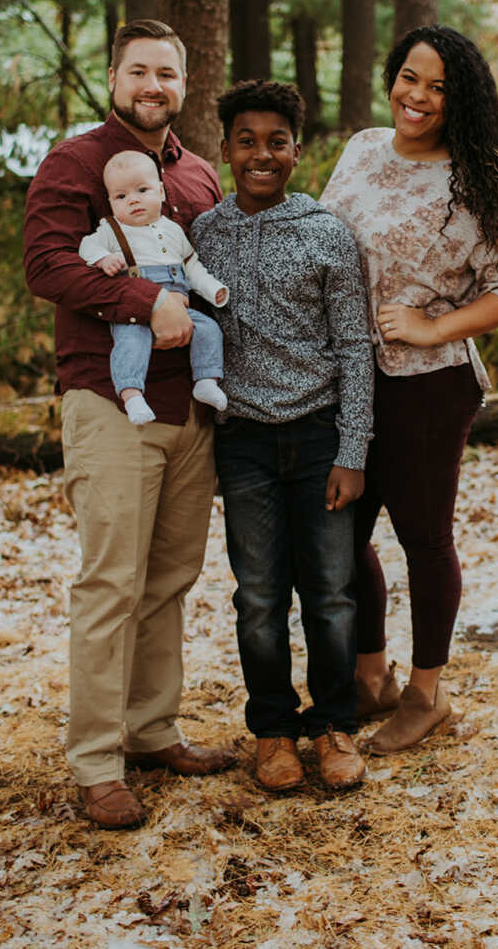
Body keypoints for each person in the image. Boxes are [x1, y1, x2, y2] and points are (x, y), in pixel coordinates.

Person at [23, 18, 235, 831]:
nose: (155, 86)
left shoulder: (200, 177)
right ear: (113, 76)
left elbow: (214, 275)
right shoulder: (75, 163)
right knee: (110, 583)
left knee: (170, 579)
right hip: (111, 403)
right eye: (140, 71)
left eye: (169, 74)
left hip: (194, 408)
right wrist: (147, 301)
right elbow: (48, 265)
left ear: (184, 83)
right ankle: (96, 763)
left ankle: (152, 731)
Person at [320, 26, 498, 755]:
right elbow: (323, 242)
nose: (418, 96)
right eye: (409, 78)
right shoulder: (360, 148)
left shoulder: (477, 181)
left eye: (439, 87)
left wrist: (428, 327)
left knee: (422, 538)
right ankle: (370, 675)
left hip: (427, 388)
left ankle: (425, 694)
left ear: (462, 100)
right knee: (344, 535)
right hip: (345, 378)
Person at [192, 80, 374, 793]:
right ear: (228, 149)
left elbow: (355, 346)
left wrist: (353, 452)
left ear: (298, 150)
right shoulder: (206, 233)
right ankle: (272, 730)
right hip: (243, 444)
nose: (260, 155)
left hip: (320, 435)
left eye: (276, 142)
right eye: (246, 141)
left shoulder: (327, 232)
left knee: (330, 592)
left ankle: (333, 726)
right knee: (259, 595)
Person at [79, 149, 229, 424]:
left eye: (142, 190)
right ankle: (132, 394)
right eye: (121, 196)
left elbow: (191, 266)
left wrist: (213, 289)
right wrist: (104, 259)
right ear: (110, 202)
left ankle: (206, 379)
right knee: (130, 342)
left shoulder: (172, 230)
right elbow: (87, 245)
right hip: (136, 309)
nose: (133, 200)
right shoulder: (112, 229)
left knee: (209, 329)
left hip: (180, 305)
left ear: (160, 192)